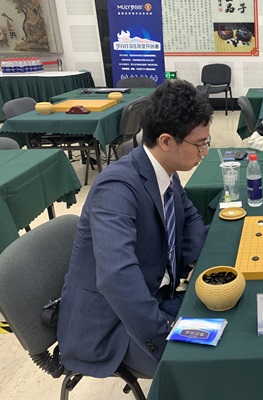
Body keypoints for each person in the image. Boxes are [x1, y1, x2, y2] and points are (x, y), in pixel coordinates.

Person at [57, 80, 212, 378]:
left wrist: (195, 264)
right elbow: (117, 277)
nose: (204, 152)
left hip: (157, 294)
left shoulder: (164, 170)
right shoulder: (117, 187)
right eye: (199, 144)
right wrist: (164, 333)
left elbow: (190, 217)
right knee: (204, 367)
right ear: (166, 141)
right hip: (112, 326)